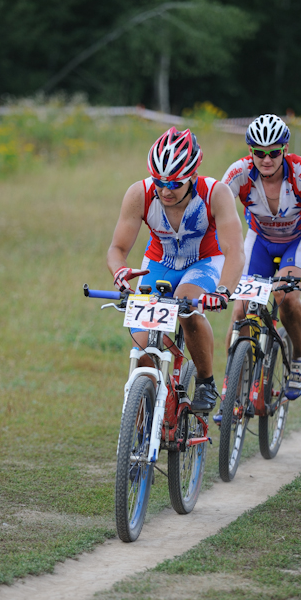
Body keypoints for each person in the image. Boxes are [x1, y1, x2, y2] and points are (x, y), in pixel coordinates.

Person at [107, 126, 245, 412]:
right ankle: (147, 421)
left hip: (205, 262)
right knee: (143, 348)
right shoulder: (140, 193)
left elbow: (235, 252)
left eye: (175, 184)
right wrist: (120, 272)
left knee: (187, 309)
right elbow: (117, 249)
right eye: (159, 181)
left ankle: (206, 382)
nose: (165, 190)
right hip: (159, 263)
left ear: (193, 176)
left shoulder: (215, 194)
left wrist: (222, 291)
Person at [219, 113, 301, 409]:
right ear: (251, 152)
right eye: (259, 153)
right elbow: (215, 214)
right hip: (259, 240)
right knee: (240, 310)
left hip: (299, 239)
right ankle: (232, 384)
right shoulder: (239, 173)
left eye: (273, 152)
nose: (266, 159)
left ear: (284, 150)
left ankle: (299, 358)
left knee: (285, 297)